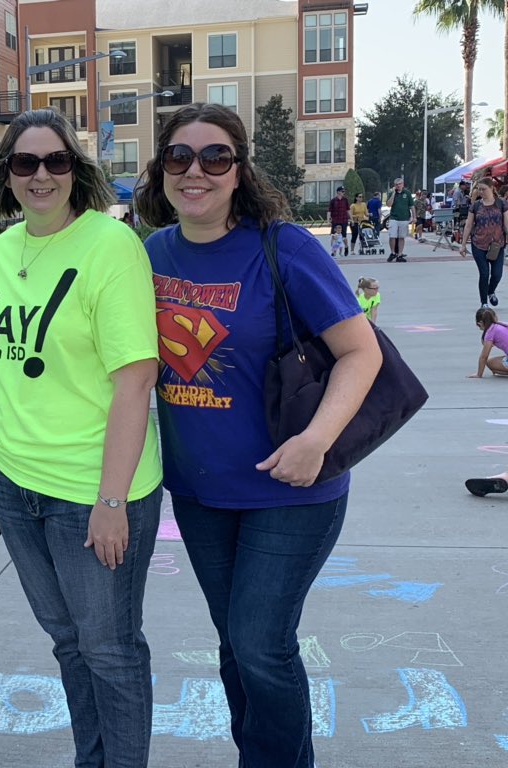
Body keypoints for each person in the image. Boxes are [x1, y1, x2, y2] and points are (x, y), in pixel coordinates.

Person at [134, 102, 382, 768]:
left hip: (291, 488)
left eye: (215, 157)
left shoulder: (284, 246)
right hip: (200, 491)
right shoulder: (150, 254)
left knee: (260, 643)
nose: (197, 172)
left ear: (239, 170)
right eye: (180, 158)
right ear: (160, 171)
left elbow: (362, 352)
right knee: (235, 644)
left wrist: (317, 442)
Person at [0, 107, 163, 767]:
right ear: (7, 174)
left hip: (92, 491)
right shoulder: (0, 251)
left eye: (55, 161)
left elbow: (136, 381)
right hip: (13, 481)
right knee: (68, 641)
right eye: (25, 163)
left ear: (75, 170)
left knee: (110, 648)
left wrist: (111, 500)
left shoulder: (108, 246)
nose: (40, 175)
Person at [459, 177, 508, 308]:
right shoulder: (475, 206)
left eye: (483, 189)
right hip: (478, 244)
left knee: (497, 274)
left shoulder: (501, 203)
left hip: (497, 245)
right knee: (484, 273)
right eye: (479, 189)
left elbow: (507, 223)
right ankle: (484, 303)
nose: (481, 191)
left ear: (492, 188)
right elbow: (469, 225)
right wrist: (463, 245)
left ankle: (491, 291)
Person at [468, 307, 508, 378]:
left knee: (489, 362)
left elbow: (484, 357)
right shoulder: (503, 324)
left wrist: (479, 374)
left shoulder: (490, 332)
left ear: (480, 323)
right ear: (495, 317)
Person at [385, 177, 414, 262]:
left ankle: (400, 254)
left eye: (399, 184)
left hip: (404, 218)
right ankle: (393, 252)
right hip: (394, 217)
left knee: (401, 237)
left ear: (403, 184)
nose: (398, 186)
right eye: (396, 185)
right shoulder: (392, 193)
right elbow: (389, 204)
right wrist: (393, 193)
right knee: (392, 236)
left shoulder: (407, 193)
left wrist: (414, 217)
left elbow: (411, 206)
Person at [326, 185, 350, 256]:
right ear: (338, 192)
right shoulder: (333, 201)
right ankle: (334, 251)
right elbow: (329, 211)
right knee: (334, 236)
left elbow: (348, 210)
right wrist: (328, 220)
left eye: (344, 191)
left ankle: (346, 247)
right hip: (335, 220)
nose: (343, 192)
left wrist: (351, 219)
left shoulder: (345, 200)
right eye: (342, 191)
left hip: (343, 220)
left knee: (343, 236)